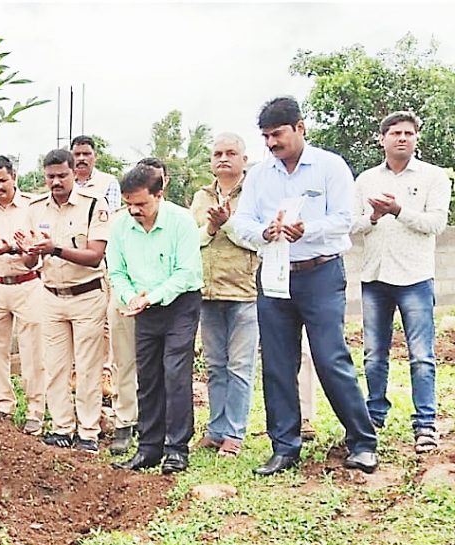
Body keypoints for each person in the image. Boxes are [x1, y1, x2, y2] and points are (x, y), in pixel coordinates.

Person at [229, 96, 378, 476]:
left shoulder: (329, 166)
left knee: (331, 358)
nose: (271, 143)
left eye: (277, 134)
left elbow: (345, 218)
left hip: (320, 273)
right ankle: (284, 447)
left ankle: (362, 443)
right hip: (275, 274)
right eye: (265, 137)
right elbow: (242, 223)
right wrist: (263, 232)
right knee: (278, 362)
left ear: (299, 128)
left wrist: (305, 229)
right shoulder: (260, 175)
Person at [352, 110, 451, 453]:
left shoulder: (434, 177)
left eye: (409, 133)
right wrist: (375, 216)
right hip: (375, 276)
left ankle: (425, 423)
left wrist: (398, 210)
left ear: (416, 139)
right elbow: (352, 227)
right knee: (373, 355)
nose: (402, 138)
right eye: (395, 133)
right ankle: (374, 416)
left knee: (421, 355)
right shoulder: (365, 180)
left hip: (415, 278)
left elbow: (436, 224)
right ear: (382, 139)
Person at [109, 164, 203, 473]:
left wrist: (152, 296)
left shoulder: (181, 222)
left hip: (180, 303)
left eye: (141, 204)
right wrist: (131, 297)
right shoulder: (120, 225)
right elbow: (117, 271)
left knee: (175, 373)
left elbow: (186, 273)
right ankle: (149, 448)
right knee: (147, 377)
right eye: (129, 204)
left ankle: (176, 449)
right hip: (142, 305)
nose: (134, 210)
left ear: (159, 195)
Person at [17, 149, 110, 454]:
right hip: (51, 294)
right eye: (50, 176)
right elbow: (31, 258)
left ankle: (88, 431)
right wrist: (28, 251)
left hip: (87, 294)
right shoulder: (35, 209)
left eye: (61, 175)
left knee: (87, 366)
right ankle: (61, 427)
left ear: (74, 174)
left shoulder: (93, 204)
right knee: (54, 366)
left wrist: (54, 248)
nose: (55, 182)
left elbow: (95, 255)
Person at [189, 133, 259, 457]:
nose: (223, 158)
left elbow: (258, 241)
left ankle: (234, 434)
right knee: (215, 366)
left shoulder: (256, 194)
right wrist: (213, 229)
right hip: (209, 292)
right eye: (217, 153)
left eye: (232, 152)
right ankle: (215, 429)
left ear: (244, 159)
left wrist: (228, 224)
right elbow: (193, 241)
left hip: (244, 292)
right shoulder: (201, 197)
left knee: (240, 366)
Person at [0, 156, 47, 434]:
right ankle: (2, 404)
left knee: (32, 350)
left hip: (28, 283)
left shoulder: (32, 207)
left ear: (14, 177)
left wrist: (13, 248)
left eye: (3, 180)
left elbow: (36, 247)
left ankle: (35, 410)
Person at [71, 136, 137, 452]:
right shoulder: (66, 183)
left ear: (95, 156)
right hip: (70, 269)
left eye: (86, 154)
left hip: (105, 262)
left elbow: (111, 224)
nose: (82, 159)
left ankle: (105, 375)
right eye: (77, 154)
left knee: (106, 326)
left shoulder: (106, 184)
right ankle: (80, 379)